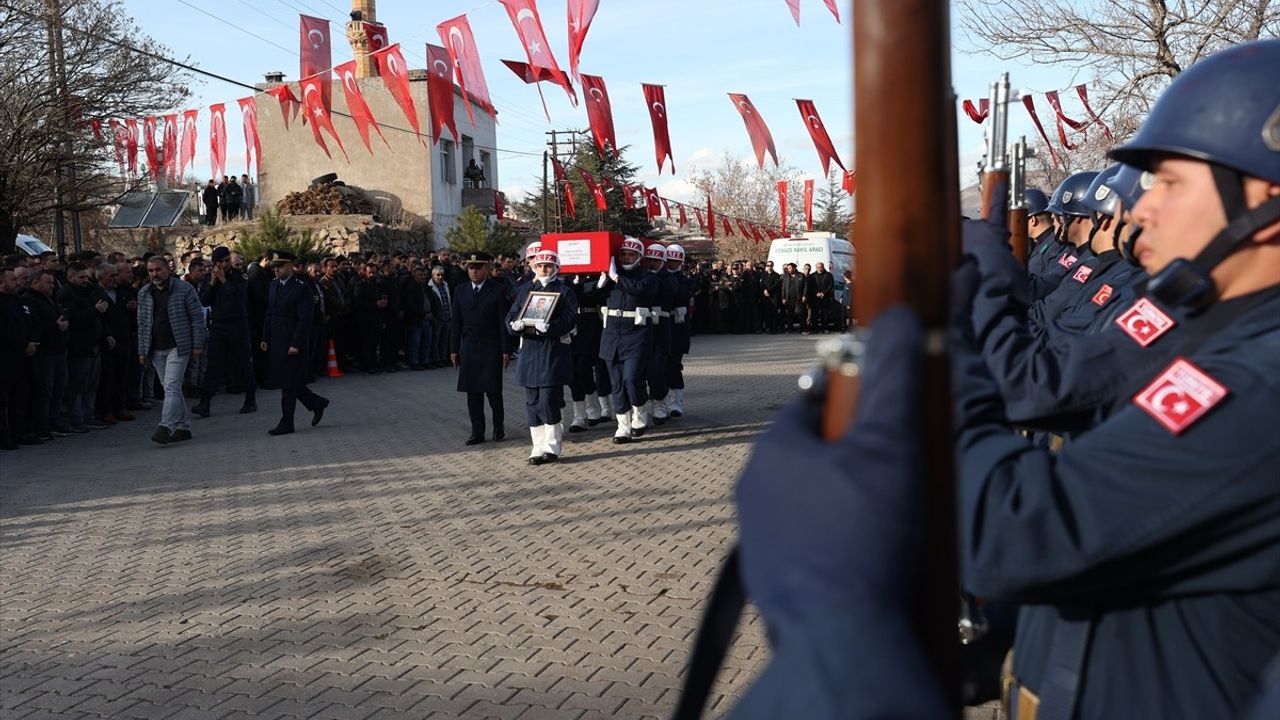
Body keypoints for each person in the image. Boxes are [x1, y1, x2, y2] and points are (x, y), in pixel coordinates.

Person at [506, 249, 577, 464]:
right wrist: (514, 326)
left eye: (548, 266)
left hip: (552, 349)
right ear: (534, 267)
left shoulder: (565, 291)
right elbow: (511, 314)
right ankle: (537, 447)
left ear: (556, 268)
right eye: (540, 266)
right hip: (530, 349)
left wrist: (551, 327)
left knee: (548, 400)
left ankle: (552, 446)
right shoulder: (525, 289)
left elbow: (571, 318)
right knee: (532, 402)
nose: (544, 269)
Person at [136, 255, 205, 445]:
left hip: (179, 345)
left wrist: (198, 344)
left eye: (158, 270)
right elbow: (142, 324)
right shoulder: (144, 293)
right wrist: (142, 351)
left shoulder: (184, 289)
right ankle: (183, 426)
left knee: (172, 386)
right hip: (156, 348)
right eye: (151, 271)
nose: (154, 274)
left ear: (168, 268)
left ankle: (166, 425)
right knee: (170, 388)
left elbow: (197, 318)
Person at [260, 251, 329, 435]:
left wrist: (296, 344)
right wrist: (265, 337)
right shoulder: (274, 285)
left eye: (280, 266)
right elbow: (270, 312)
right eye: (274, 267)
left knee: (288, 385)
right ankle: (317, 403)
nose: (277, 270)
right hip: (276, 339)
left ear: (291, 266)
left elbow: (305, 319)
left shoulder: (301, 287)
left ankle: (286, 422)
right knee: (287, 382)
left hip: (291, 341)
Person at [597, 237, 657, 443]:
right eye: (623, 254)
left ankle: (639, 413)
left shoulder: (647, 276)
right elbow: (590, 296)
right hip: (612, 335)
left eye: (630, 254)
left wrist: (617, 279)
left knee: (632, 379)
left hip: (636, 335)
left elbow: (641, 290)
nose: (626, 257)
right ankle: (623, 425)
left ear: (639, 257)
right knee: (617, 383)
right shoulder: (612, 276)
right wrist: (596, 282)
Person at [450, 251, 513, 445]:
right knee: (473, 394)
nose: (474, 271)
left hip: (491, 348)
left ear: (487, 268)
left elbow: (503, 322)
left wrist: (506, 350)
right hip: (469, 348)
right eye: (471, 267)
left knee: (493, 393)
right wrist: (453, 349)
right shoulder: (460, 290)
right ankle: (477, 432)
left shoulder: (498, 290)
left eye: (478, 267)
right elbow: (456, 323)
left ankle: (498, 428)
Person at [193, 246, 257, 418]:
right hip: (219, 325)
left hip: (237, 324)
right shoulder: (209, 278)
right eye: (221, 262)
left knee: (243, 363)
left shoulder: (239, 277)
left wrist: (224, 282)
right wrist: (213, 284)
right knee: (213, 364)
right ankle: (204, 403)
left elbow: (238, 299)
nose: (225, 264)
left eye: (227, 260)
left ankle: (250, 399)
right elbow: (204, 301)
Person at [57, 262, 109, 432]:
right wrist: (95, 311)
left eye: (86, 276)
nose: (85, 280)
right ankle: (77, 418)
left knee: (92, 384)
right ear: (70, 277)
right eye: (81, 277)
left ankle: (89, 415)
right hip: (78, 346)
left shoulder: (89, 291)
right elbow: (74, 320)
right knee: (78, 385)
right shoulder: (66, 295)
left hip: (93, 343)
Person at [94, 262, 135, 425]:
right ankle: (106, 410)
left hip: (123, 338)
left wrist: (131, 308)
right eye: (112, 276)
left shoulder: (122, 292)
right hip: (107, 341)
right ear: (101, 277)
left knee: (122, 375)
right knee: (107, 378)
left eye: (116, 275)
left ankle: (120, 406)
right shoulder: (95, 293)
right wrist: (106, 334)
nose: (115, 279)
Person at [644, 243, 678, 425]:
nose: (651, 263)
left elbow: (669, 289)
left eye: (655, 260)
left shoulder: (667, 278)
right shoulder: (643, 274)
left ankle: (660, 405)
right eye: (649, 260)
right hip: (641, 328)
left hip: (660, 327)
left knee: (657, 369)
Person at [664, 244, 693, 417]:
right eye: (669, 260)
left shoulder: (685, 280)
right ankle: (663, 401)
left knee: (674, 365)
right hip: (661, 324)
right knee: (660, 366)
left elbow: (680, 294)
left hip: (677, 326)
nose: (671, 264)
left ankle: (676, 402)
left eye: (675, 261)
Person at [429, 265, 452, 369]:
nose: (440, 277)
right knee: (435, 341)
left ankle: (443, 358)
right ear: (433, 275)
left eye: (442, 275)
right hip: (438, 317)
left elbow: (448, 301)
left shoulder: (445, 285)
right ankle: (436, 359)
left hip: (447, 317)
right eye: (438, 275)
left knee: (444, 340)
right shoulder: (430, 287)